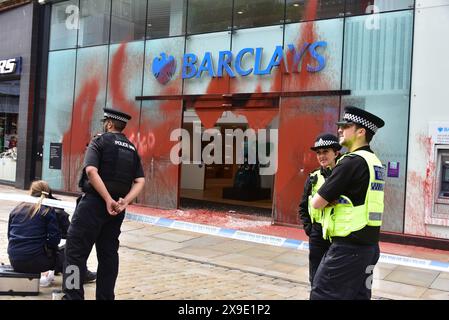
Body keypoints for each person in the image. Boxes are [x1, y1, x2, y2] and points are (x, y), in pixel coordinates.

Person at [62, 108, 145, 300]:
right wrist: (124, 202)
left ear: (109, 124)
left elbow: (91, 171)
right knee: (108, 256)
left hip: (93, 205)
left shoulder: (99, 141)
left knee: (75, 252)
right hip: (116, 210)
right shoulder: (132, 149)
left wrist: (107, 198)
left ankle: (72, 297)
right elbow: (140, 181)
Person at [309, 106, 385, 300]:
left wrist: (328, 200)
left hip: (347, 248)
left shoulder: (350, 161)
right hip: (369, 247)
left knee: (322, 295)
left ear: (361, 132)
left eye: (346, 126)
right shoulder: (374, 161)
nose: (340, 130)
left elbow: (317, 202)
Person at [298, 133, 341, 286]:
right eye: (318, 153)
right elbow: (303, 206)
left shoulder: (344, 175)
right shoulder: (313, 177)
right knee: (315, 276)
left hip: (338, 234)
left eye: (325, 152)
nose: (321, 156)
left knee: (335, 276)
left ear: (336, 153)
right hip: (317, 233)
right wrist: (309, 229)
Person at [7, 181, 63, 286]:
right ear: (48, 193)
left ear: (31, 191)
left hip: (15, 261)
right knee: (69, 253)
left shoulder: (16, 209)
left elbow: (9, 236)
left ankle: (46, 275)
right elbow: (54, 240)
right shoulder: (47, 210)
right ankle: (75, 283)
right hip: (37, 262)